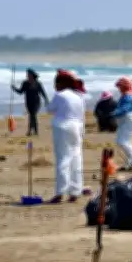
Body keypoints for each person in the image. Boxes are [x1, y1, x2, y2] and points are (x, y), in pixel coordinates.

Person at [46, 69, 86, 203]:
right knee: (76, 158)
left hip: (62, 127)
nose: (55, 86)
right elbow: (82, 115)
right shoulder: (79, 96)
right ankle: (75, 190)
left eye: (56, 83)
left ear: (61, 83)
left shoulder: (60, 95)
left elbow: (49, 109)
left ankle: (60, 192)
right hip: (76, 127)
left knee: (63, 159)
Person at [113, 76, 132, 170]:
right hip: (127, 121)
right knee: (127, 141)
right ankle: (131, 161)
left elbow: (124, 109)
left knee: (122, 141)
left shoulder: (128, 96)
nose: (119, 88)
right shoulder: (130, 94)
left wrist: (112, 113)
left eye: (120, 86)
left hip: (129, 120)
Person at [12, 68, 49, 136]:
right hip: (28, 102)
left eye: (28, 74)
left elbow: (43, 92)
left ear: (32, 75)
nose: (27, 75)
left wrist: (46, 100)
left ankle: (32, 131)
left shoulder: (38, 83)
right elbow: (21, 92)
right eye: (27, 74)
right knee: (31, 116)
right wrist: (14, 88)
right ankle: (33, 131)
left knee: (33, 115)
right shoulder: (25, 83)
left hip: (36, 102)